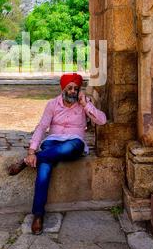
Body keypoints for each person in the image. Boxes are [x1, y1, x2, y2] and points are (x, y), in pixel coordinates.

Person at [8, 72, 107, 235]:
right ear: (63, 89)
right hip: (52, 142)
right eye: (70, 88)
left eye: (76, 88)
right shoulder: (52, 104)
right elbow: (41, 127)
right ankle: (38, 215)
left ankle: (26, 162)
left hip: (74, 143)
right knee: (44, 167)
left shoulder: (84, 104)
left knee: (69, 147)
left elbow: (102, 120)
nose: (73, 91)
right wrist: (32, 150)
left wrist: (85, 104)